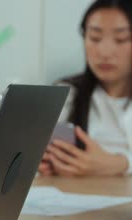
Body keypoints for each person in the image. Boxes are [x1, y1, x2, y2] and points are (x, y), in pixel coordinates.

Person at [39, 0, 132, 177]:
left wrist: (123, 163)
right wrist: (44, 163)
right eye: (95, 38)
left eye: (121, 39)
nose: (105, 52)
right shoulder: (67, 94)